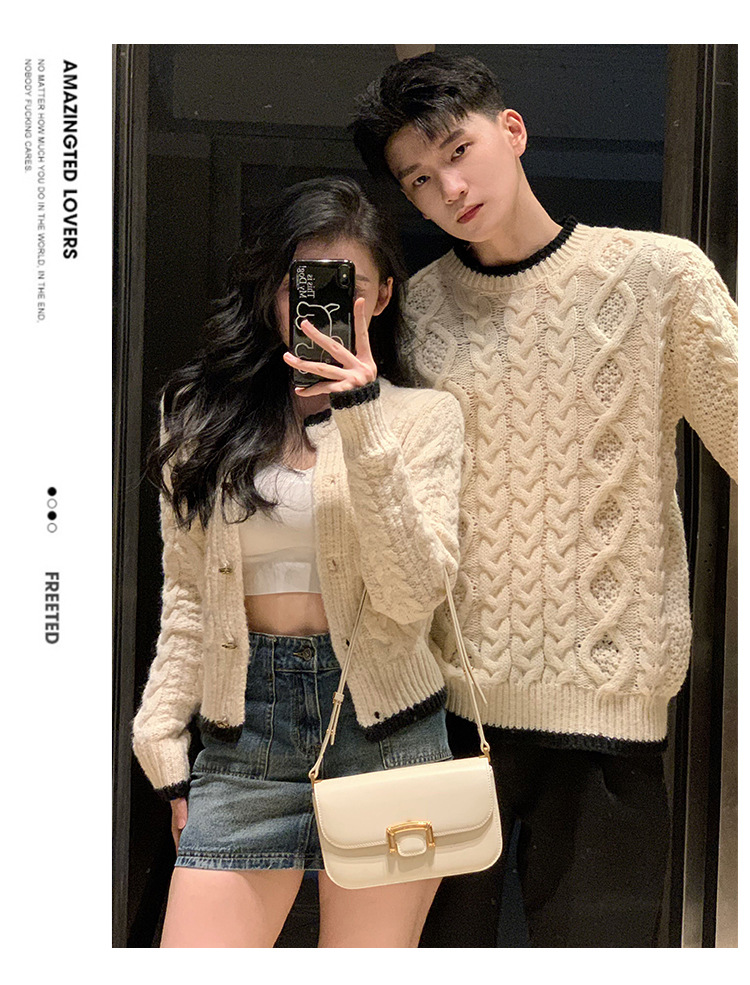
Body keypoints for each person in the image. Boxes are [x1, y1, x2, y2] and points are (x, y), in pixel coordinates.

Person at [350, 52, 738, 947]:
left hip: (609, 720)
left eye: (458, 150)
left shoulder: (659, 278)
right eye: (419, 178)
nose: (449, 187)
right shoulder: (418, 314)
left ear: (512, 130)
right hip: (449, 721)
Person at [131, 176, 465, 948]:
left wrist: (363, 420)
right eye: (303, 285)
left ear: (382, 296)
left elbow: (415, 593)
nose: (321, 309)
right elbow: (188, 595)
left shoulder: (424, 419)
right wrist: (162, 738)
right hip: (245, 735)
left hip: (389, 733)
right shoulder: (198, 416)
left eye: (346, 287)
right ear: (273, 294)